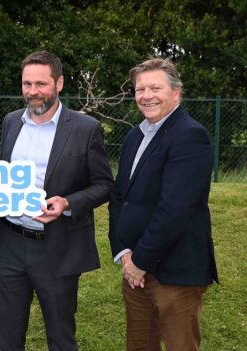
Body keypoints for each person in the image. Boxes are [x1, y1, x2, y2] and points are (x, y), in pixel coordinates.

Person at [0, 50, 114, 350]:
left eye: (41, 84)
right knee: (7, 339)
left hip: (57, 247)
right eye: (27, 84)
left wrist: (68, 203)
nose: (33, 92)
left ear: (59, 83)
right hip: (10, 243)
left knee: (60, 338)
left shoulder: (85, 129)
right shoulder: (11, 122)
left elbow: (104, 185)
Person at [108, 58, 218, 350]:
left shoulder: (190, 136)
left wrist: (140, 261)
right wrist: (124, 253)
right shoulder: (135, 135)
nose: (146, 95)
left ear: (176, 93)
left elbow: (175, 209)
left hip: (175, 272)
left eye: (155, 87)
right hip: (135, 270)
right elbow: (121, 197)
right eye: (140, 89)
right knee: (140, 345)